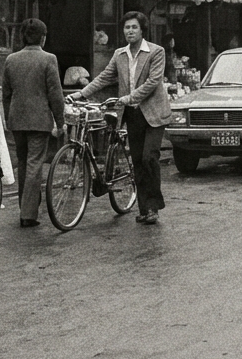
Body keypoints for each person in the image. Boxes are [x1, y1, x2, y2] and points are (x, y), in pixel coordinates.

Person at [70, 11, 170, 224]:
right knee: (137, 162)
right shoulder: (119, 55)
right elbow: (104, 77)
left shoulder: (156, 51)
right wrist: (81, 93)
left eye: (134, 27)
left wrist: (128, 97)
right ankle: (145, 210)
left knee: (149, 158)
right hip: (132, 114)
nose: (130, 31)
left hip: (153, 114)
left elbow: (153, 82)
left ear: (142, 30)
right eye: (127, 28)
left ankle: (153, 206)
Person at [1, 18, 66, 228]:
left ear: (23, 37)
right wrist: (60, 121)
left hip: (17, 119)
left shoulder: (11, 59)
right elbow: (55, 94)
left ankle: (26, 205)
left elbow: (6, 93)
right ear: (43, 38)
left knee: (23, 161)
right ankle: (28, 214)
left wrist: (8, 117)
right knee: (34, 164)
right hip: (39, 120)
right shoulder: (49, 59)